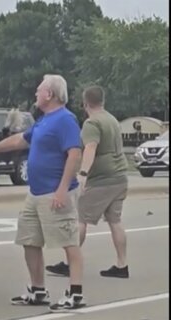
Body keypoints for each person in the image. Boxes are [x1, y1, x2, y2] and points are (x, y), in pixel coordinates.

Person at [0, 74, 85, 311]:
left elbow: (75, 154)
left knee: (69, 242)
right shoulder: (43, 121)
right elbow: (20, 141)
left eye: (39, 89)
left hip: (55, 193)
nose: (36, 92)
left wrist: (62, 190)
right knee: (29, 241)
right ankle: (38, 290)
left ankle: (75, 294)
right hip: (35, 193)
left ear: (50, 94)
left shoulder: (66, 120)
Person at [46, 85, 129, 279]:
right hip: (120, 177)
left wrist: (82, 174)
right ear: (102, 101)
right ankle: (122, 264)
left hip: (102, 180)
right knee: (115, 221)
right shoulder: (112, 119)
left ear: (85, 103)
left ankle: (69, 263)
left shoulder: (92, 124)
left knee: (81, 220)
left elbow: (90, 148)